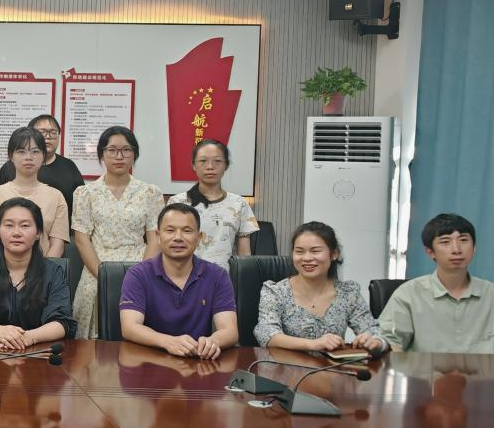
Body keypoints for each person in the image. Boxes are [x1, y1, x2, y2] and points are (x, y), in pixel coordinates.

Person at [72, 126, 164, 338]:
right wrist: (105, 277)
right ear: (102, 154)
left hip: (139, 267)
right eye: (112, 150)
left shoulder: (150, 192)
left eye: (126, 150)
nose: (119, 156)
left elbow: (155, 239)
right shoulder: (85, 193)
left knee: (140, 336)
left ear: (135, 154)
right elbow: (82, 239)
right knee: (92, 344)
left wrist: (141, 276)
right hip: (97, 269)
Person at [119, 203, 238, 359]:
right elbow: (130, 327)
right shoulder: (137, 274)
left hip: (198, 361)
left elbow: (230, 330)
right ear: (158, 236)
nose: (178, 237)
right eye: (170, 230)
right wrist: (168, 342)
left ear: (199, 238)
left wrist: (212, 342)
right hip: (150, 360)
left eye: (187, 231)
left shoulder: (217, 275)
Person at [256, 221, 387, 356]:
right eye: (299, 251)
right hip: (288, 367)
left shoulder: (348, 293)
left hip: (333, 367)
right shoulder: (275, 292)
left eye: (316, 251)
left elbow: (373, 330)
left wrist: (375, 341)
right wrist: (314, 344)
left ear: (334, 254)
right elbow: (266, 334)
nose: (307, 258)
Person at [0, 197, 75, 350]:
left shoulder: (53, 272)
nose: (16, 233)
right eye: (9, 225)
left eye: (25, 226)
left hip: (39, 353)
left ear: (38, 233)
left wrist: (29, 337)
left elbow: (62, 322)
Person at [381, 213, 494, 353]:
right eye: (445, 242)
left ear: (474, 248)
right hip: (425, 368)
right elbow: (390, 343)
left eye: (463, 240)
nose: (456, 250)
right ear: (430, 252)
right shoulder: (408, 294)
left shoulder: (490, 294)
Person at [167, 139, 258, 271]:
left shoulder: (239, 204)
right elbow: (168, 247)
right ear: (193, 165)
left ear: (226, 165)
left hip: (224, 278)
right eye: (203, 161)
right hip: (184, 275)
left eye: (217, 161)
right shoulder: (177, 202)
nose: (210, 167)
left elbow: (244, 255)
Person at [0, 127, 71, 258]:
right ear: (11, 156)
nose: (28, 157)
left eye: (35, 151)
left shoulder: (56, 197)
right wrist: (11, 266)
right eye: (21, 151)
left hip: (44, 267)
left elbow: (57, 245)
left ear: (43, 156)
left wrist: (44, 269)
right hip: (2, 267)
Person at [0, 114, 84, 216]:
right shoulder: (11, 166)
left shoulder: (69, 166)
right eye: (42, 132)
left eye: (53, 132)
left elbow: (81, 204)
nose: (48, 137)